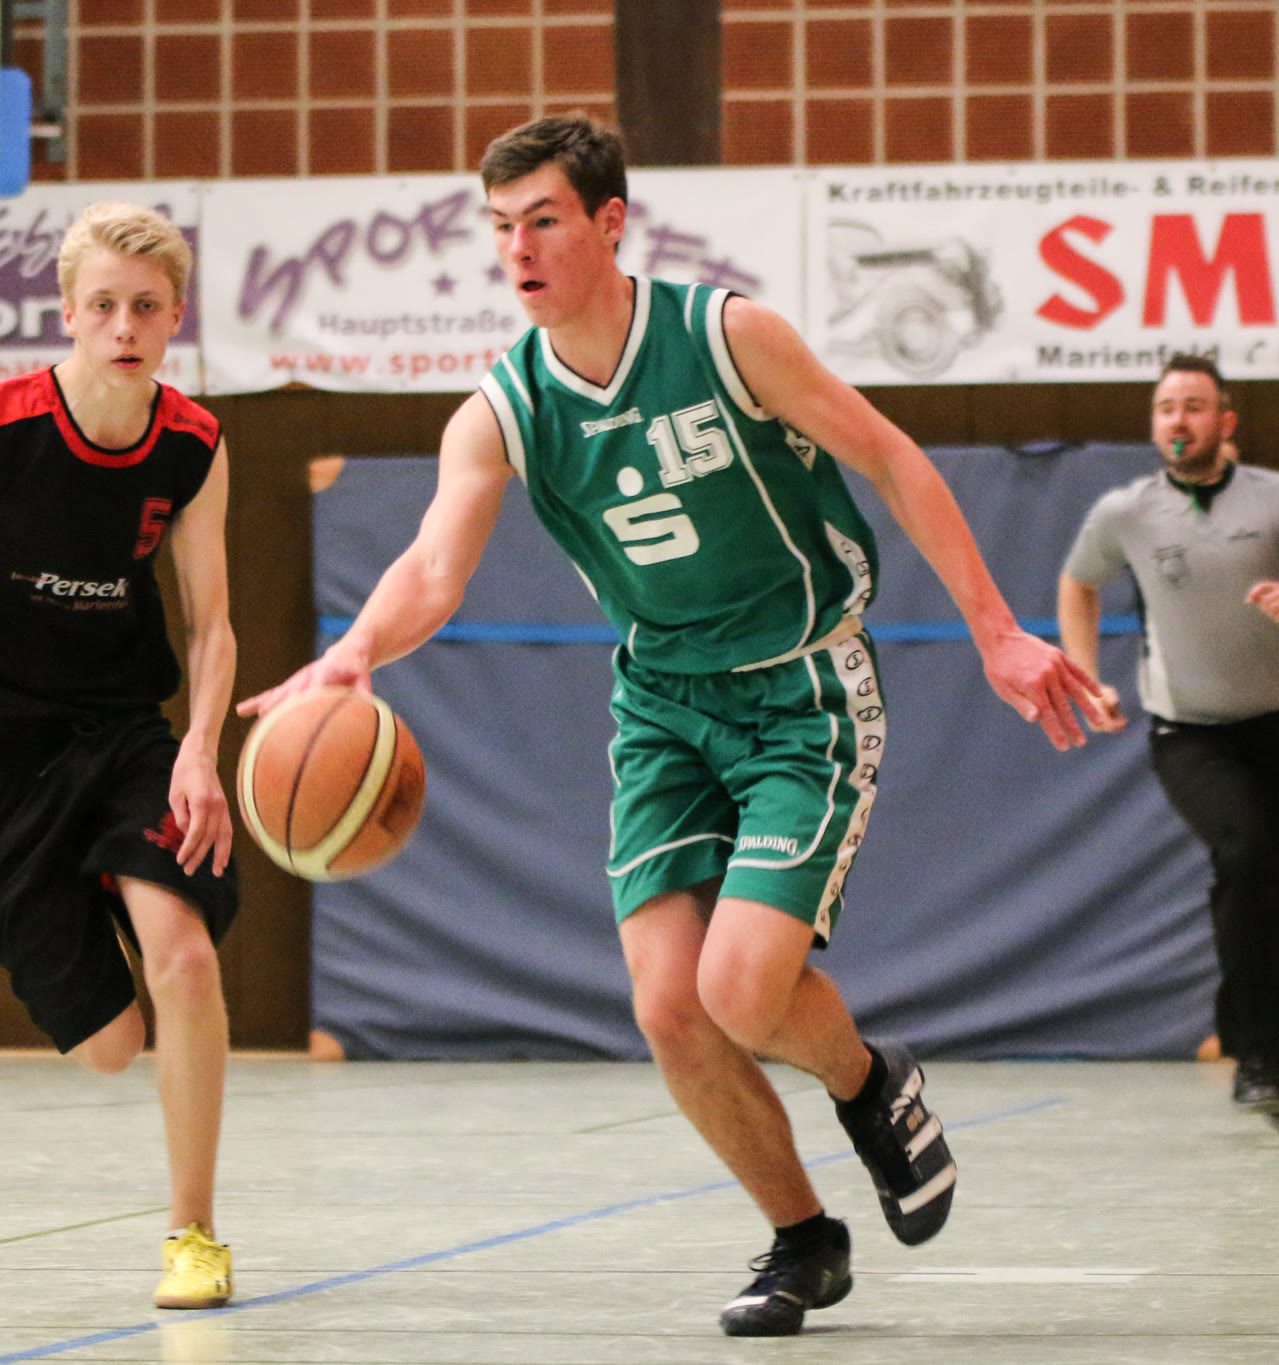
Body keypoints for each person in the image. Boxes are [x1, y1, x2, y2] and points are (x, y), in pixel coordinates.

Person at [239, 114, 1103, 1337]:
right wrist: (350, 654)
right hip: (661, 704)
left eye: (542, 221)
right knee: (666, 1008)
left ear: (608, 223)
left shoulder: (726, 336)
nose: (518, 248)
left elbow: (889, 456)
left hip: (800, 686)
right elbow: (432, 567)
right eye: (500, 228)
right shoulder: (503, 409)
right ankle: (802, 1240)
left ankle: (870, 1082)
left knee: (741, 990)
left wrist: (996, 629)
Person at [0, 202, 241, 1309]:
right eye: (103, 305)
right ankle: (96, 891)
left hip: (119, 728)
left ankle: (194, 1235)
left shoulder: (193, 444)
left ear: (174, 317)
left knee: (185, 958)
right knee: (111, 1045)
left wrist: (201, 751)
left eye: (146, 307)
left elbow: (211, 623)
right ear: (68, 312)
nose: (124, 326)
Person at [1057, 354, 1279, 1136]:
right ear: (1154, 424)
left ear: (1224, 421)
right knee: (1246, 851)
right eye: (1166, 407)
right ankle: (1250, 1049)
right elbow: (1079, 582)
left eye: (1194, 406)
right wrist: (1087, 677)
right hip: (1189, 735)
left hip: (1277, 729)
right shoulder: (1127, 511)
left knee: (1278, 890)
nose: (1179, 419)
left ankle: (1276, 1073)